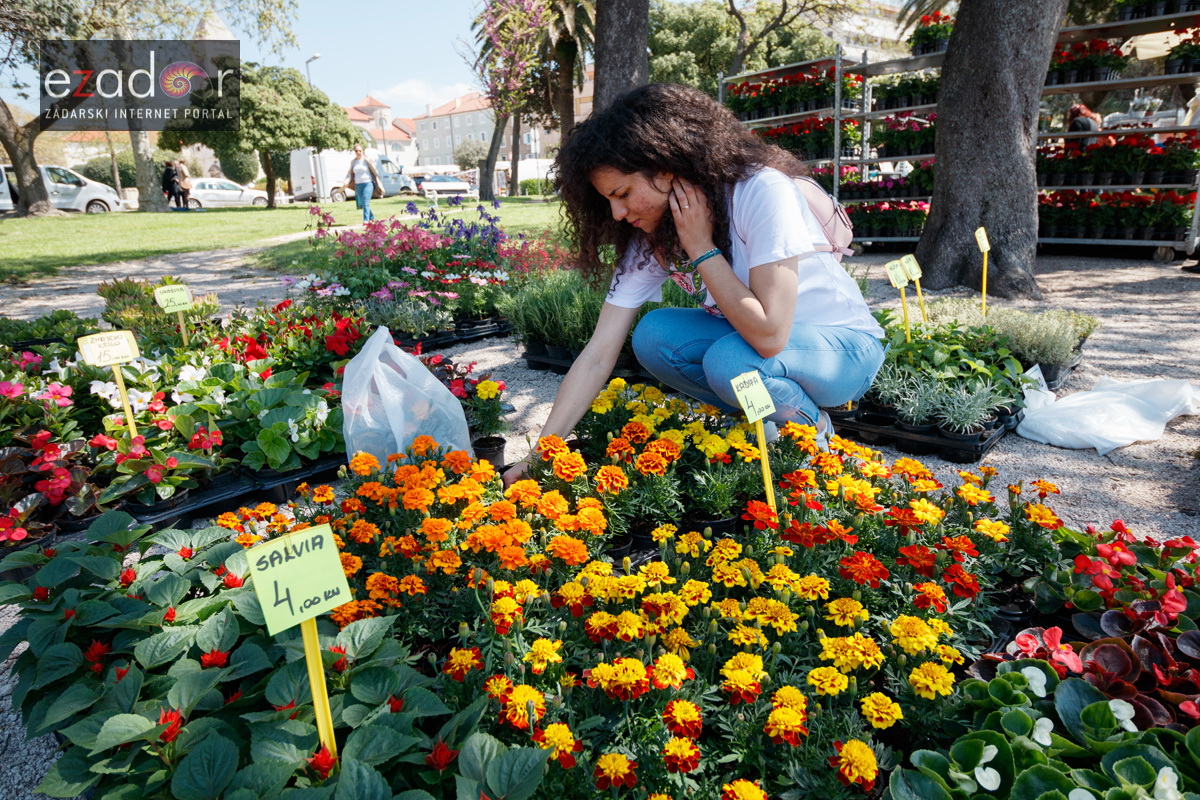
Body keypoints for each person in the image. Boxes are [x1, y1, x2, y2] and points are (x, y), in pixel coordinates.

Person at [502, 83, 885, 483]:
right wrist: (541, 458)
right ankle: (763, 428)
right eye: (608, 201)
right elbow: (599, 353)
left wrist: (701, 248)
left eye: (623, 193)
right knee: (654, 335)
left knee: (732, 363)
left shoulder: (761, 190)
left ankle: (812, 432)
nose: (616, 213)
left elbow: (770, 334)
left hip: (843, 350)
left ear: (665, 169)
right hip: (758, 350)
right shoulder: (653, 233)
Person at [344, 145, 383, 222]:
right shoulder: (353, 162)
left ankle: (366, 220)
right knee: (363, 203)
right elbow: (350, 173)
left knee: (365, 202)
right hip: (358, 185)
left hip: (367, 183)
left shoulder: (367, 160)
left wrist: (378, 179)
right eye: (356, 151)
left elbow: (374, 170)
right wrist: (346, 181)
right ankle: (371, 217)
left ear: (362, 151)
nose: (358, 152)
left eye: (360, 151)